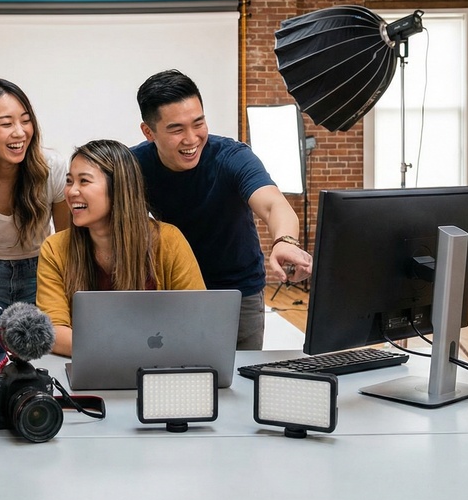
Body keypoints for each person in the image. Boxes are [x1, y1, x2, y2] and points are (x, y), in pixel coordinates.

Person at [131, 69, 313, 350]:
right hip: (173, 291)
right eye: (176, 129)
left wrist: (285, 241)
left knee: (237, 383)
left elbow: (273, 203)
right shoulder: (134, 165)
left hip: (238, 291)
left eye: (198, 123)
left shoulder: (232, 156)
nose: (191, 139)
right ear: (148, 132)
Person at [36, 139, 205, 356]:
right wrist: (125, 352)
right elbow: (54, 331)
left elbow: (197, 318)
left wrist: (123, 351)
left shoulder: (168, 240)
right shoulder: (55, 248)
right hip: (90, 369)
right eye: (69, 181)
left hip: (161, 366)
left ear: (119, 189)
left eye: (84, 181)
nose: (71, 192)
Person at [0, 79, 70, 307]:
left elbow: (66, 240)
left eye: (26, 121)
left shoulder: (52, 167)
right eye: (6, 124)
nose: (20, 132)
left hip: (41, 270)